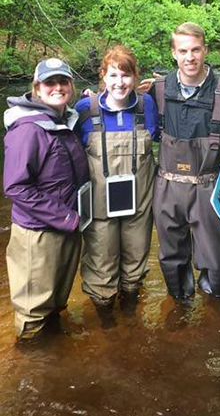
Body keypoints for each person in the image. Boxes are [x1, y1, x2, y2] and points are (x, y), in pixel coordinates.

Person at [152, 22, 220, 300]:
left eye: (196, 50)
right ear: (173, 53)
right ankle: (180, 307)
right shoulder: (158, 90)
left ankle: (216, 310)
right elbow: (127, 109)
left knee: (218, 259)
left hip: (209, 187)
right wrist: (92, 99)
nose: (190, 57)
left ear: (205, 50)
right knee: (170, 257)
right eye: (183, 51)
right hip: (166, 186)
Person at [3, 58, 89, 339]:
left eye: (63, 81)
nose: (58, 87)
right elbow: (16, 187)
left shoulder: (64, 120)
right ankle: (30, 360)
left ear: (71, 86)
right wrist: (66, 217)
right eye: (50, 82)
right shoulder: (27, 129)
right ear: (37, 88)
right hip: (37, 234)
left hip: (66, 228)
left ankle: (55, 358)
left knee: (55, 304)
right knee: (33, 313)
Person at [75, 46, 158, 309]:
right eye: (113, 75)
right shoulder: (85, 109)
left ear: (135, 77)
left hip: (139, 206)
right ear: (103, 76)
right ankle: (107, 323)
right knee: (101, 268)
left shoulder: (147, 105)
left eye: (125, 75)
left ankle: (130, 318)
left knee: (135, 266)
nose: (119, 82)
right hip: (99, 208)